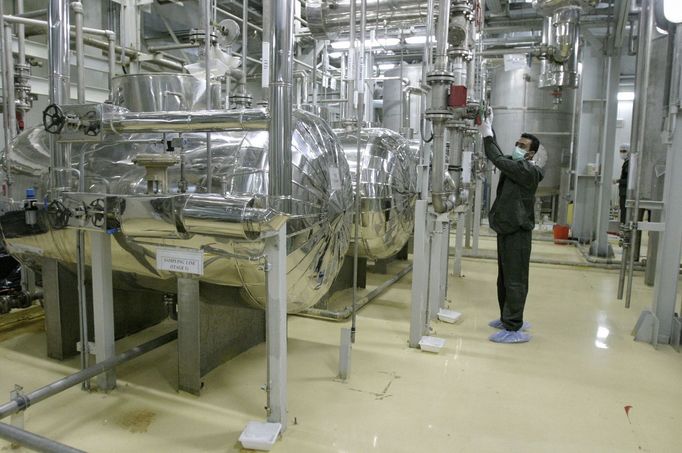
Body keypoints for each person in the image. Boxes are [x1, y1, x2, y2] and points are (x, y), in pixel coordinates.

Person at [478, 108, 544, 344]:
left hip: (518, 231)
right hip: (507, 228)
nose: (517, 147)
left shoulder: (527, 171)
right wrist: (490, 129)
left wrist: (486, 134)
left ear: (531, 153)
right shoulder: (516, 164)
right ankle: (507, 317)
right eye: (517, 143)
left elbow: (496, 158)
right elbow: (499, 157)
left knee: (515, 279)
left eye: (522, 146)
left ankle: (514, 326)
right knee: (504, 277)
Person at [613, 143, 630, 225]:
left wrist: (618, 181)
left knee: (624, 212)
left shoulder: (628, 164)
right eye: (621, 151)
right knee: (623, 211)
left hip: (625, 193)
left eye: (624, 151)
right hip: (623, 192)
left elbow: (628, 180)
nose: (622, 153)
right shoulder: (626, 163)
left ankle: (624, 229)